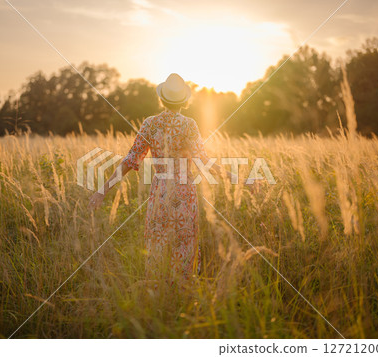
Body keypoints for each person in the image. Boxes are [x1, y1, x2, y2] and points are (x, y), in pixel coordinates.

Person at [88, 73, 254, 282]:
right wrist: (242, 180)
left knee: (158, 246)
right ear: (184, 100)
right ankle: (183, 294)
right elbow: (205, 164)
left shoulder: (150, 124)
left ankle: (159, 295)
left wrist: (102, 191)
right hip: (185, 193)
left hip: (160, 192)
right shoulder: (189, 125)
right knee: (184, 246)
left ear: (162, 99)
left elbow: (130, 161)